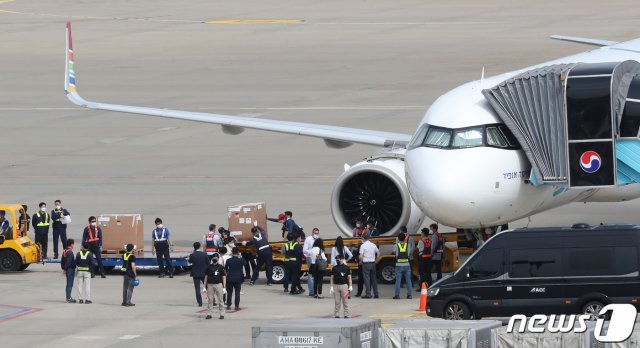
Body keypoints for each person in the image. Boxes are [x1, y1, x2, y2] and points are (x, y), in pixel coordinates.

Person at [204, 253, 226, 319]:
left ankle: (222, 314)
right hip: (210, 285)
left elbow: (224, 277)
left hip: (219, 284)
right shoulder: (208, 267)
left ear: (218, 258)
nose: (215, 259)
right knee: (210, 300)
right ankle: (209, 314)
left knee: (220, 300)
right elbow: (206, 277)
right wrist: (204, 286)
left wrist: (224, 287)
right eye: (213, 257)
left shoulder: (221, 267)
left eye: (216, 257)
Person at [330, 254, 352, 318]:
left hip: (344, 286)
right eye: (336, 260)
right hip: (336, 286)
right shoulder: (334, 268)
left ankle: (346, 314)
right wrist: (331, 287)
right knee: (337, 301)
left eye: (338, 259)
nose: (337, 261)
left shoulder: (346, 267)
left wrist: (350, 286)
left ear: (342, 259)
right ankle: (337, 314)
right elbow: (332, 278)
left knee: (345, 301)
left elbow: (349, 277)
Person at [393, 230, 413, 299]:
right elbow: (409, 254)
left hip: (399, 265)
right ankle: (409, 295)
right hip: (407, 265)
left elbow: (396, 255)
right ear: (405, 238)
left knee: (398, 280)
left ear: (398, 238)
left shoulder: (396, 245)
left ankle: (397, 295)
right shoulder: (408, 245)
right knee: (408, 280)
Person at [358, 232, 379, 299]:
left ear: (363, 238)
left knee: (367, 279)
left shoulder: (363, 245)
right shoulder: (373, 245)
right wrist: (376, 260)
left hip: (366, 264)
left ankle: (368, 294)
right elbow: (378, 253)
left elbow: (361, 256)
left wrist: (361, 261)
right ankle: (376, 294)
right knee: (374, 279)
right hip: (373, 263)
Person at [188, 242, 209, 307]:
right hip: (204, 273)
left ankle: (200, 303)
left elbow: (189, 261)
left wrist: (190, 255)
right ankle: (212, 301)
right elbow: (208, 263)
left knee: (197, 289)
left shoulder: (193, 255)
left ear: (194, 247)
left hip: (196, 273)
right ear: (200, 246)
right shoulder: (204, 254)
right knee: (208, 287)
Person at [303, 228, 319, 296]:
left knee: (317, 275)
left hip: (317, 258)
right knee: (311, 275)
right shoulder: (308, 239)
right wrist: (312, 252)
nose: (316, 234)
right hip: (310, 258)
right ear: (312, 233)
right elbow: (304, 250)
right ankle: (311, 291)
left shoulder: (318, 239)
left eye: (317, 233)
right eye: (315, 233)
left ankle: (316, 290)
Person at [61, 238, 76, 303]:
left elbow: (62, 261)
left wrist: (63, 268)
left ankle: (68, 296)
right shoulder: (70, 252)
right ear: (71, 244)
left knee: (68, 284)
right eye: (73, 244)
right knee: (70, 284)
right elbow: (68, 262)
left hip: (67, 269)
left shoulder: (65, 251)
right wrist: (66, 268)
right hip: (70, 269)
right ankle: (68, 298)